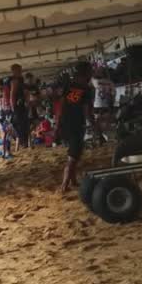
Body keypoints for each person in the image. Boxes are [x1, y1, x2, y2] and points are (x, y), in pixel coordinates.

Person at [60, 62, 94, 193]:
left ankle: (73, 181)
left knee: (75, 153)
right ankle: (64, 185)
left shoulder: (69, 86)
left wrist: (58, 124)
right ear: (86, 74)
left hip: (66, 123)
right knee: (73, 156)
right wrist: (93, 125)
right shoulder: (86, 90)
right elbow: (87, 111)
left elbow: (61, 105)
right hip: (77, 124)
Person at [3, 64, 30, 149]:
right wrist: (13, 107)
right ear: (14, 70)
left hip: (11, 106)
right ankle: (18, 143)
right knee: (17, 126)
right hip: (15, 107)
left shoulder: (11, 80)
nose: (21, 71)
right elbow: (12, 94)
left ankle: (11, 147)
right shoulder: (14, 80)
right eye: (19, 70)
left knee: (14, 127)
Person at [91, 67, 115, 145]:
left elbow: (112, 93)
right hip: (102, 105)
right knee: (103, 122)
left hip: (99, 105)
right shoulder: (110, 82)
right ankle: (102, 138)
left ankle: (101, 138)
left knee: (100, 122)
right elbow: (113, 94)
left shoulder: (95, 80)